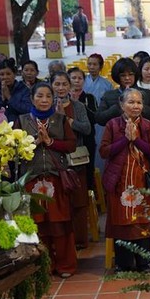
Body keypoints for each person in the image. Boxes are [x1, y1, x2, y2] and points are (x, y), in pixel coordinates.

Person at [18, 82, 78, 277]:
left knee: (60, 224)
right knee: (38, 224)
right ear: (32, 98)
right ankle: (43, 266)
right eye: (39, 96)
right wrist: (34, 143)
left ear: (53, 99)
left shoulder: (60, 120)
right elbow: (14, 152)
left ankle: (65, 265)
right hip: (32, 179)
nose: (44, 100)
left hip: (56, 179)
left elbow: (71, 145)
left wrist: (50, 142)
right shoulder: (22, 121)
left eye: (48, 97)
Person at [100, 89, 150, 272]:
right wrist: (125, 140)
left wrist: (137, 140)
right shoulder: (112, 125)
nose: (136, 106)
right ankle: (124, 263)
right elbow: (104, 151)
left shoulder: (147, 125)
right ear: (121, 105)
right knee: (122, 221)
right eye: (131, 102)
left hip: (142, 179)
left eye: (139, 103)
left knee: (143, 220)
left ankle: (144, 262)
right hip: (119, 180)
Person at [51, 71, 93, 249]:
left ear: (70, 86)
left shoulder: (78, 106)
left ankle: (80, 240)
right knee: (59, 202)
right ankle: (60, 241)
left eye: (64, 84)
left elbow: (87, 129)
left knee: (79, 201)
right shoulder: (46, 106)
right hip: (55, 160)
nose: (61, 88)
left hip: (76, 159)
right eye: (57, 84)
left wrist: (67, 120)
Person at [95, 57, 150, 126]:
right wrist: (119, 105)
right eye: (123, 75)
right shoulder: (109, 95)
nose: (127, 78)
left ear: (135, 75)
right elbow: (99, 119)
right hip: (116, 135)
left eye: (130, 74)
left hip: (142, 134)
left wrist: (138, 105)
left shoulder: (148, 94)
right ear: (117, 77)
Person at [67, 66, 99, 201]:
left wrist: (79, 105)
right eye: (73, 78)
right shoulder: (62, 100)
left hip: (87, 140)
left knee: (87, 171)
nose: (77, 81)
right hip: (69, 141)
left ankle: (88, 197)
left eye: (80, 78)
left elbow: (94, 118)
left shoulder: (89, 98)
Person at [0, 58, 31, 123]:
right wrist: (2, 98)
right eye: (2, 74)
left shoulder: (23, 89)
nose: (5, 77)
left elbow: (27, 109)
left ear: (14, 74)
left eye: (8, 74)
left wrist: (9, 97)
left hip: (19, 125)